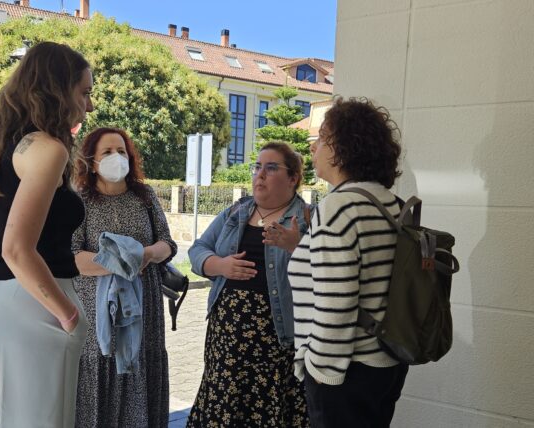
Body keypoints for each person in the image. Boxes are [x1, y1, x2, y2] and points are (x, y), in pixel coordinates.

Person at [0, 41, 93, 427]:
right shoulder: (47, 148)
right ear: (57, 89)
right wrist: (68, 314)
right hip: (38, 299)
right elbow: (17, 248)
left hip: (0, 299)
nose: (89, 105)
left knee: (4, 418)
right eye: (84, 92)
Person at [289, 97, 408, 427]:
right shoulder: (392, 204)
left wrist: (316, 371)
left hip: (344, 374)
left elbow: (337, 302)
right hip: (387, 363)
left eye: (323, 138)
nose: (314, 147)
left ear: (344, 148)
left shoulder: (338, 207)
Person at [186, 142, 311, 427]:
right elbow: (197, 250)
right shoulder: (236, 212)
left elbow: (325, 273)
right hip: (226, 342)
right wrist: (220, 266)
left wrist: (298, 246)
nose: (260, 175)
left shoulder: (306, 220)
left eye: (271, 168)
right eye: (257, 167)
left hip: (277, 344)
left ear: (293, 178)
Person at [71, 127, 176, 428]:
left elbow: (168, 244)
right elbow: (73, 256)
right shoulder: (81, 202)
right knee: (101, 370)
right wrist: (118, 262)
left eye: (121, 151)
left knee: (140, 365)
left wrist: (145, 255)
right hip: (97, 309)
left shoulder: (145, 196)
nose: (116, 157)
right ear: (91, 162)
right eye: (107, 152)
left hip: (144, 306)